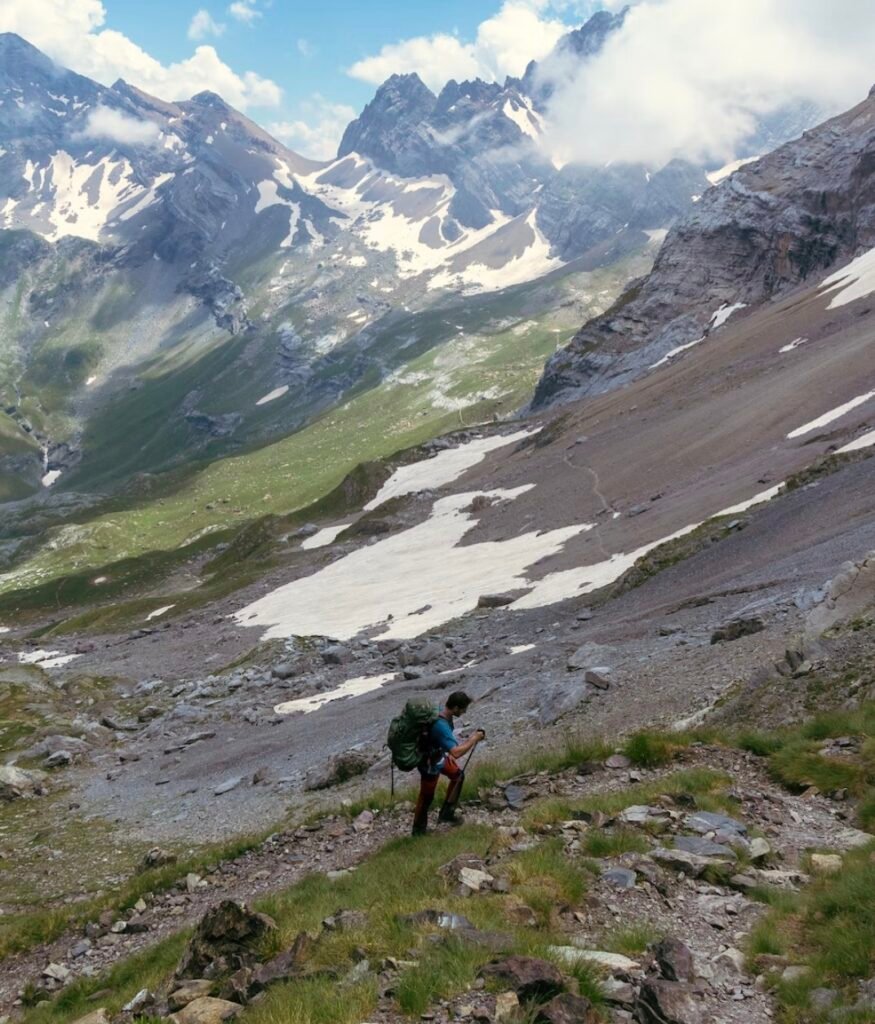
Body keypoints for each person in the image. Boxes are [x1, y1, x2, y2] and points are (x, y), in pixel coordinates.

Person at [412, 690, 485, 836]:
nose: (464, 712)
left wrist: (446, 752)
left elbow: (443, 743)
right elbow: (456, 753)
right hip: (429, 763)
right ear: (456, 707)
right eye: (463, 709)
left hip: (438, 756)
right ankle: (418, 831)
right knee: (427, 796)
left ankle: (447, 814)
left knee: (458, 775)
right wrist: (474, 739)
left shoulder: (442, 712)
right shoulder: (441, 726)